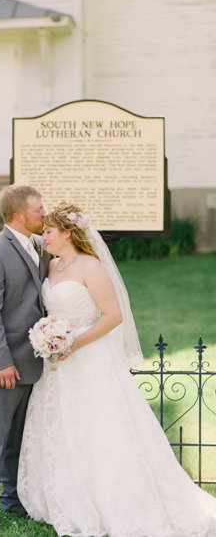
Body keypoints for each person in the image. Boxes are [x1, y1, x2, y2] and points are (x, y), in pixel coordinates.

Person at [18, 203, 216, 535]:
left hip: (90, 359)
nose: (44, 235)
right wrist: (49, 337)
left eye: (50, 230)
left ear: (68, 233)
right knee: (63, 427)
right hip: (58, 367)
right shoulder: (50, 266)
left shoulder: (90, 266)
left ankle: (111, 498)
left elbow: (113, 316)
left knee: (101, 427)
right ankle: (64, 495)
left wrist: (72, 343)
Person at [0, 185, 53, 533]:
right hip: (3, 366)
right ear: (18, 215)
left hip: (34, 363)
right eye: (38, 210)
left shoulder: (41, 248)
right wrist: (1, 361)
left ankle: (13, 499)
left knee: (19, 439)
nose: (43, 215)